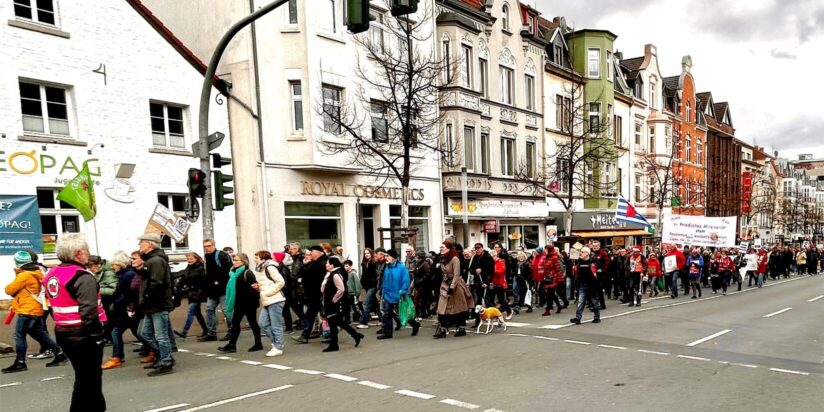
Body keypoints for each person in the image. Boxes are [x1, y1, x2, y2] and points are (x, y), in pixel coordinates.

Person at [43, 233, 107, 411]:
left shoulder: (52, 274)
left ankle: (97, 407)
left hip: (64, 331)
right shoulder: (83, 277)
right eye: (86, 250)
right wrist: (98, 336)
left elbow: (50, 305)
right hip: (83, 334)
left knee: (86, 376)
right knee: (89, 378)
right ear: (78, 253)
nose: (89, 253)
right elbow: (89, 312)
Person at [3, 251, 67, 373]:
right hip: (35, 308)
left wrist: (17, 273)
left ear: (18, 263)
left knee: (19, 335)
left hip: (27, 310)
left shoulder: (24, 275)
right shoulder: (36, 272)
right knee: (39, 333)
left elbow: (9, 290)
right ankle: (60, 354)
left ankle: (20, 362)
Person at [102, 251, 148, 370]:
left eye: (115, 264)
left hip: (128, 308)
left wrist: (116, 303)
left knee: (117, 331)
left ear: (121, 264)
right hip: (128, 308)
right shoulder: (125, 274)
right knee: (136, 331)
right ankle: (152, 350)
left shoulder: (127, 275)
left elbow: (127, 293)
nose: (113, 267)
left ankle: (117, 357)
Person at [137, 233, 175, 376]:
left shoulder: (156, 261)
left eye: (142, 242)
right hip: (151, 304)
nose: (139, 245)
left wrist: (147, 297)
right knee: (144, 333)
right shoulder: (151, 260)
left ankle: (166, 361)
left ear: (150, 244)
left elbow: (156, 283)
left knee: (161, 335)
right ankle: (164, 356)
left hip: (158, 304)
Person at [219, 253, 262, 353]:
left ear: (243, 262)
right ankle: (232, 345)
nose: (234, 262)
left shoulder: (247, 273)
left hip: (249, 303)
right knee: (235, 323)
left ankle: (258, 343)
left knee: (253, 323)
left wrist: (248, 292)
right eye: (234, 260)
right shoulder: (233, 273)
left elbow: (254, 288)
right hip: (238, 303)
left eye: (237, 260)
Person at [321, 257, 364, 352]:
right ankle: (355, 336)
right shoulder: (330, 274)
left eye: (328, 263)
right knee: (339, 323)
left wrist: (333, 300)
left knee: (334, 323)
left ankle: (334, 344)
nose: (326, 265)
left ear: (332, 265)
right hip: (331, 302)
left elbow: (341, 289)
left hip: (335, 303)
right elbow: (323, 289)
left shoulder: (335, 275)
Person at [376, 249, 420, 340]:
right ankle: (388, 333)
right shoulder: (387, 268)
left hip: (399, 294)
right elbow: (385, 281)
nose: (386, 258)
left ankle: (415, 324)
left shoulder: (401, 268)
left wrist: (403, 291)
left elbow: (406, 280)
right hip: (388, 295)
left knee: (403, 313)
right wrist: (382, 292)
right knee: (387, 313)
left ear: (393, 257)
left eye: (387, 256)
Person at [435, 240, 473, 338]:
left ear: (448, 248)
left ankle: (461, 328)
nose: (440, 249)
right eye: (440, 247)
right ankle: (442, 330)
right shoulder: (442, 258)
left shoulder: (455, 259)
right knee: (441, 307)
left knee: (458, 308)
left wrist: (452, 287)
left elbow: (456, 274)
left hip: (456, 285)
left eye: (442, 247)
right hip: (445, 284)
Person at [253, 251, 286, 357]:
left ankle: (278, 347)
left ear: (263, 259)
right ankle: (276, 343)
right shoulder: (262, 268)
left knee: (276, 325)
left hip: (275, 299)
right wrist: (259, 287)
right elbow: (267, 283)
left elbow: (281, 282)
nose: (254, 259)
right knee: (262, 323)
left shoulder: (270, 267)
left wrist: (267, 293)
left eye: (256, 258)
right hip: (268, 300)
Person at [292, 246, 327, 344]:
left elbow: (310, 276)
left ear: (318, 253)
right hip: (313, 294)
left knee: (325, 314)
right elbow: (304, 274)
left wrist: (306, 266)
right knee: (312, 315)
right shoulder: (315, 263)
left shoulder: (322, 263)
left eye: (312, 252)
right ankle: (305, 335)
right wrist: (305, 265)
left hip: (318, 294)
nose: (310, 254)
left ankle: (306, 335)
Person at [200, 239, 232, 342]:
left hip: (223, 288)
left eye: (208, 246)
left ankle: (232, 331)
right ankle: (211, 333)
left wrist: (219, 282)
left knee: (226, 310)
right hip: (212, 290)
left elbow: (228, 270)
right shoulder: (206, 257)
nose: (206, 248)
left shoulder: (221, 255)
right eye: (204, 246)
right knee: (209, 309)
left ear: (213, 245)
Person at [174, 252, 208, 338]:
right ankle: (206, 330)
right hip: (191, 293)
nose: (189, 260)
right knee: (197, 313)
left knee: (191, 312)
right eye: (188, 259)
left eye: (191, 259)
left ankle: (184, 332)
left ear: (196, 259)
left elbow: (201, 281)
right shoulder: (189, 267)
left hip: (197, 294)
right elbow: (184, 276)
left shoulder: (200, 268)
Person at [570, 247, 600, 325]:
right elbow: (576, 273)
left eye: (582, 252)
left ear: (587, 253)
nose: (581, 253)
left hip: (592, 284)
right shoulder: (579, 262)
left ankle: (597, 317)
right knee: (581, 301)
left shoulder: (592, 261)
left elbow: (598, 272)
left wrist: (597, 282)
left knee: (594, 301)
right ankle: (578, 318)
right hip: (582, 284)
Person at [357, 248, 378, 329]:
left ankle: (364, 322)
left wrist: (373, 281)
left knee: (366, 303)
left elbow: (374, 275)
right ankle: (383, 320)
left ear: (371, 254)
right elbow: (364, 275)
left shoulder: (374, 263)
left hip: (372, 286)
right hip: (366, 286)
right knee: (375, 303)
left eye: (368, 253)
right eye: (365, 253)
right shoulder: (364, 263)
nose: (366, 254)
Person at [343, 259, 362, 324]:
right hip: (348, 292)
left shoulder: (353, 273)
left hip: (353, 292)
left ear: (350, 266)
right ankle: (349, 319)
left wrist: (357, 292)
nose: (345, 267)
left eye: (347, 266)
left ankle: (361, 317)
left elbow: (357, 283)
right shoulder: (345, 274)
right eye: (345, 266)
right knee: (349, 306)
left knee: (354, 306)